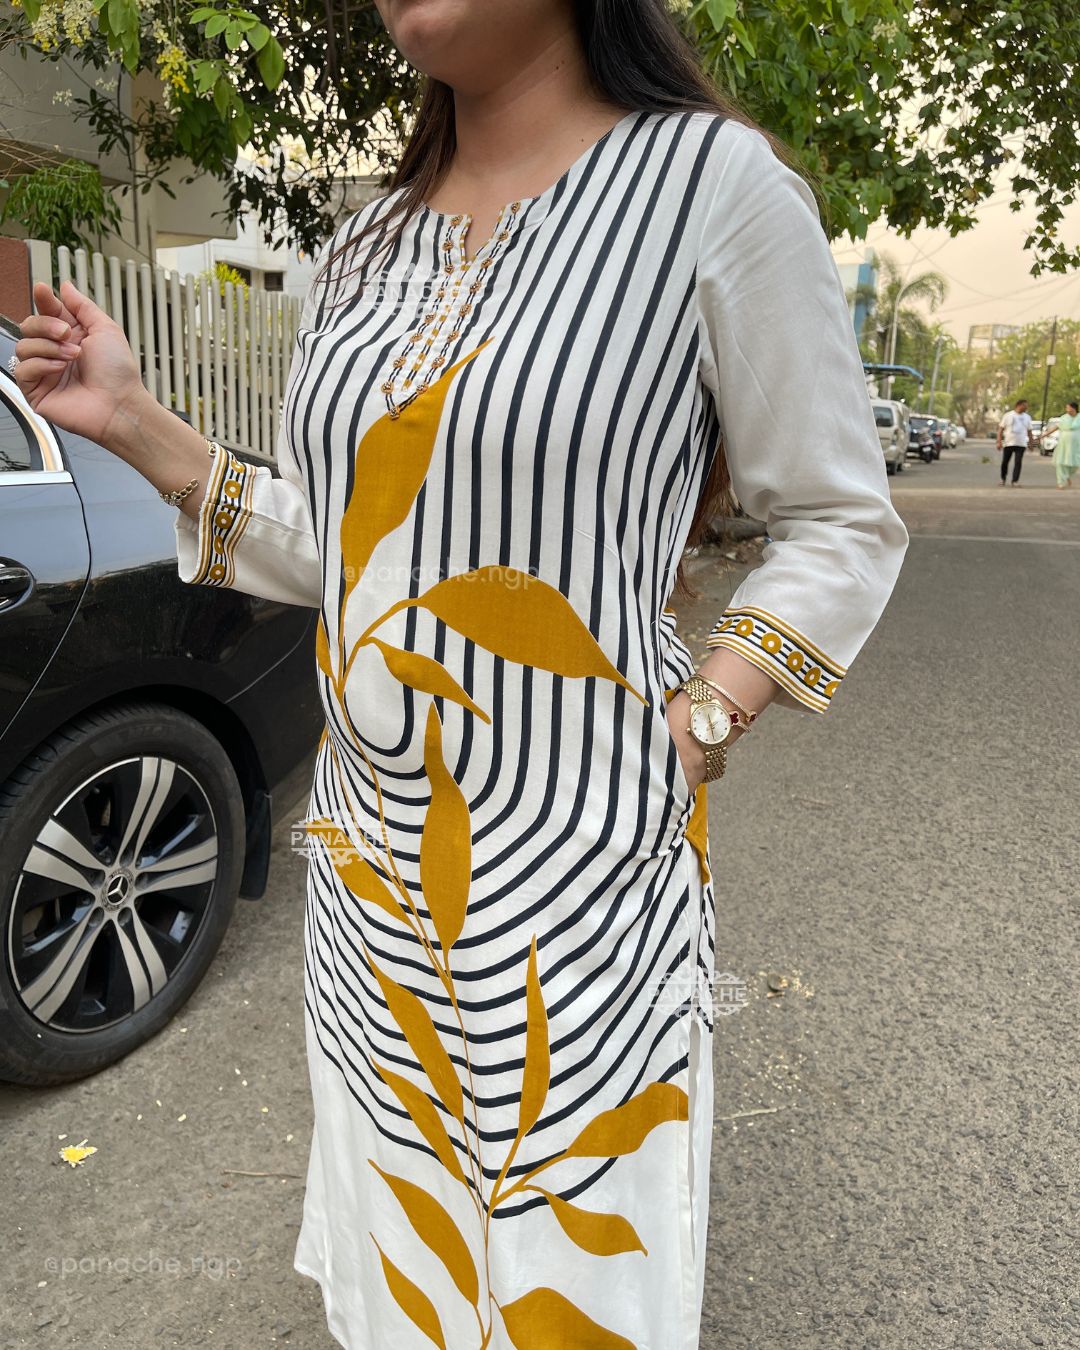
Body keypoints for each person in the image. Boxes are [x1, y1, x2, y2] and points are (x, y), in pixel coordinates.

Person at [13, 1, 909, 1344]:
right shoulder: (366, 241)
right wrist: (134, 421)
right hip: (372, 879)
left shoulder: (713, 187)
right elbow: (347, 549)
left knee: (566, 1274)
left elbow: (841, 519)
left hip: (583, 879)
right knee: (406, 1248)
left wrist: (704, 719)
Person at [998, 397, 1034, 485]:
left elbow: (1029, 431)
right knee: (1005, 462)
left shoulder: (1027, 417)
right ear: (1018, 405)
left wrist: (1031, 443)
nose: (1026, 408)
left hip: (1021, 443)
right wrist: (999, 441)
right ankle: (1003, 479)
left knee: (1018, 462)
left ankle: (1015, 480)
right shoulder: (1008, 415)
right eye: (1024, 406)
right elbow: (1000, 429)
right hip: (1008, 443)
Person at [1052, 400, 1080, 488]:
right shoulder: (1064, 418)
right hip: (1063, 444)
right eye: (1066, 408)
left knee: (1076, 464)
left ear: (1074, 408)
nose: (1067, 409)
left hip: (1076, 445)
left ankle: (1066, 475)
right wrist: (1044, 434)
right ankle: (1060, 483)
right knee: (1060, 463)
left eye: (1068, 407)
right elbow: (1056, 427)